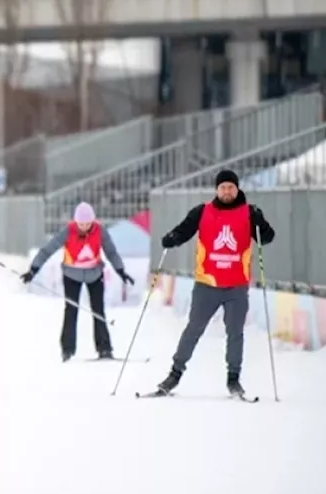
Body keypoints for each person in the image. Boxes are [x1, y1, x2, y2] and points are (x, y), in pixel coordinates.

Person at [151, 169, 274, 397]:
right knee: (193, 329)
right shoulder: (202, 211)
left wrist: (261, 222)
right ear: (216, 189)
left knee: (235, 332)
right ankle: (174, 375)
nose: (227, 191)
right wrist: (172, 239)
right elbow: (184, 230)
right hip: (207, 284)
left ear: (237, 189)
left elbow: (266, 238)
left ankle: (233, 379)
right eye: (223, 187)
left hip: (236, 286)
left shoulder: (249, 213)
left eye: (231, 187)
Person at [22, 202, 132, 362]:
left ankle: (104, 348)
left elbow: (111, 252)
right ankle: (67, 349)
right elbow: (48, 250)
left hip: (95, 274)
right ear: (76, 222)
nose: (85, 227)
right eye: (81, 224)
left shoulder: (100, 231)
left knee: (98, 310)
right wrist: (34, 269)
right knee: (71, 310)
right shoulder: (68, 231)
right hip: (71, 274)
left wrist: (120, 270)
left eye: (88, 224)